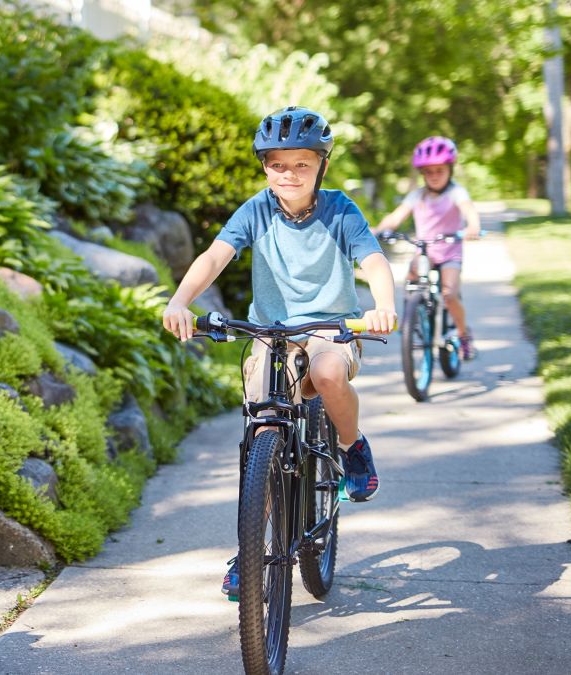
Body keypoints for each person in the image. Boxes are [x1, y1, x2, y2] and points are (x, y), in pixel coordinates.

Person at [160, 106, 397, 597]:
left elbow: (373, 260)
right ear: (264, 166)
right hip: (273, 333)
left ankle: (352, 448)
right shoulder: (256, 210)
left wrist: (384, 304)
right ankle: (251, 551)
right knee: (264, 426)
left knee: (329, 374)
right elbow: (215, 257)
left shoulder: (339, 210)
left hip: (332, 327)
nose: (289, 174)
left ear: (321, 167)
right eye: (277, 164)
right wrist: (181, 301)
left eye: (301, 164)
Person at [373, 136, 482, 359]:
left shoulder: (456, 192)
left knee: (449, 294)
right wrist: (378, 231)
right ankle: (410, 316)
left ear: (449, 170)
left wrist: (473, 226)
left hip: (450, 250)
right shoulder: (417, 195)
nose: (434, 176)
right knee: (411, 277)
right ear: (422, 173)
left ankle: (463, 335)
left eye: (439, 171)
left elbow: (469, 211)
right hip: (425, 250)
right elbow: (396, 217)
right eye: (428, 172)